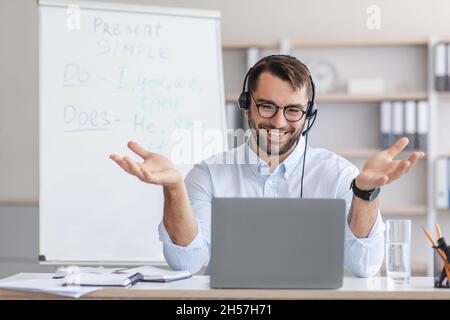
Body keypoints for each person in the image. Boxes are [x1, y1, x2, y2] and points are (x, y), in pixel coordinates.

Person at [110, 55, 424, 277]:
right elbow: (187, 263)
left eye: (293, 111)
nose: (278, 121)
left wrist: (364, 193)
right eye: (267, 106)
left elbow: (365, 266)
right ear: (247, 106)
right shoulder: (208, 174)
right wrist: (173, 189)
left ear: (308, 115)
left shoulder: (340, 175)